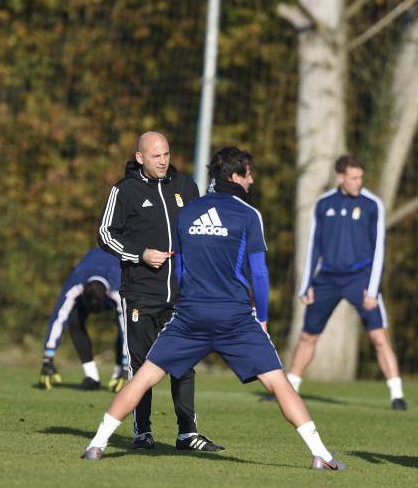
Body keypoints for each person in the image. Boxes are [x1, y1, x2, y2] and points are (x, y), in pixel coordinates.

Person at [82, 147, 345, 470]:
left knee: (143, 378)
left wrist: (184, 305)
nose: (252, 180)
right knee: (278, 383)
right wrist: (261, 317)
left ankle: (97, 444)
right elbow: (259, 274)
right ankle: (321, 453)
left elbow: (179, 270)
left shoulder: (189, 213)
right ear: (234, 177)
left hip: (190, 315)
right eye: (248, 173)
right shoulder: (248, 214)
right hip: (234, 317)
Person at [97, 131, 221, 451]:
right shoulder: (124, 191)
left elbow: (201, 231)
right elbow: (105, 235)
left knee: (184, 361)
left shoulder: (185, 187)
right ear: (140, 157)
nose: (163, 161)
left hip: (182, 294)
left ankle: (187, 432)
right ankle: (142, 432)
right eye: (156, 156)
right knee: (142, 365)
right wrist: (140, 254)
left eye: (166, 154)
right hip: (141, 293)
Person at [287, 155, 407, 409]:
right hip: (327, 279)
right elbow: (314, 246)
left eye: (361, 177)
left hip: (360, 279)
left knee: (378, 336)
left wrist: (372, 290)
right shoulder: (323, 203)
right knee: (308, 336)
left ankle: (397, 395)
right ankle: (289, 389)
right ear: (340, 177)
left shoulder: (372, 204)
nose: (358, 182)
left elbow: (379, 251)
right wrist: (306, 284)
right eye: (353, 177)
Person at [40, 246, 128, 391]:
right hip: (89, 277)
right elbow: (59, 316)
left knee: (122, 326)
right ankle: (92, 376)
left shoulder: (119, 284)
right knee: (74, 319)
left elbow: (128, 327)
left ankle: (119, 373)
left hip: (116, 272)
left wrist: (126, 366)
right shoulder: (76, 282)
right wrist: (47, 358)